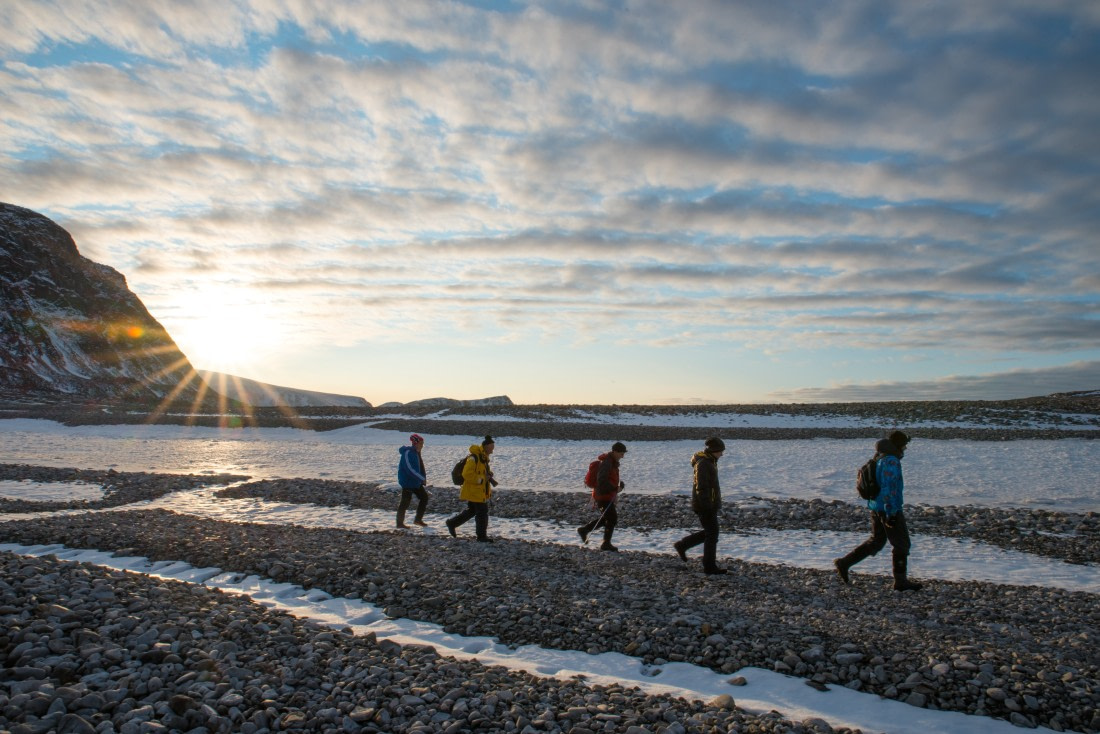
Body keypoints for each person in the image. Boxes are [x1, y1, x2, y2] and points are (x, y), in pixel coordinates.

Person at [834, 430, 923, 591]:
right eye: (905, 445)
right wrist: (891, 513)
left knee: (876, 541)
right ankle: (901, 581)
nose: (906, 448)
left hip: (876, 506)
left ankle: (844, 562)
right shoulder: (891, 461)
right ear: (899, 445)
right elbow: (889, 488)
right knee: (902, 544)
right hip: (887, 509)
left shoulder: (880, 457)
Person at [674, 437, 727, 574]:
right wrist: (707, 505)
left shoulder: (709, 461)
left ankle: (683, 545)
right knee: (712, 534)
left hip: (707, 504)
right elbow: (701, 487)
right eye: (720, 451)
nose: (722, 454)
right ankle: (709, 566)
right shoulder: (703, 463)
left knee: (710, 532)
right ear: (714, 450)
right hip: (704, 505)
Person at [446, 435, 498, 542]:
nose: (492, 451)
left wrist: (488, 475)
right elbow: (467, 474)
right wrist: (482, 479)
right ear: (486, 446)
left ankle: (452, 523)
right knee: (482, 512)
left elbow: (478, 472)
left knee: (472, 510)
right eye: (491, 447)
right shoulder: (474, 458)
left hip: (477, 490)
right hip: (474, 490)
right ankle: (481, 537)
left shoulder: (482, 458)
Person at [578, 441, 627, 551]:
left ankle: (585, 530)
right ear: (614, 452)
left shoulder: (611, 462)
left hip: (606, 495)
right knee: (612, 518)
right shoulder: (607, 463)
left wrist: (617, 489)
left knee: (609, 518)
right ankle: (605, 543)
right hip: (602, 495)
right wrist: (615, 489)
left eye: (623, 454)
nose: (623, 456)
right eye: (621, 453)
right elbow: (602, 480)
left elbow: (608, 480)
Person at [396, 433, 429, 528]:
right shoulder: (408, 453)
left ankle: (418, 520)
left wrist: (422, 479)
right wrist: (421, 478)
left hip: (415, 482)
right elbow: (409, 469)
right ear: (415, 443)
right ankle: (399, 523)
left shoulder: (416, 453)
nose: (422, 446)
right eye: (421, 444)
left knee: (424, 498)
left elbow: (420, 467)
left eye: (423, 444)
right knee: (405, 502)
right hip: (407, 482)